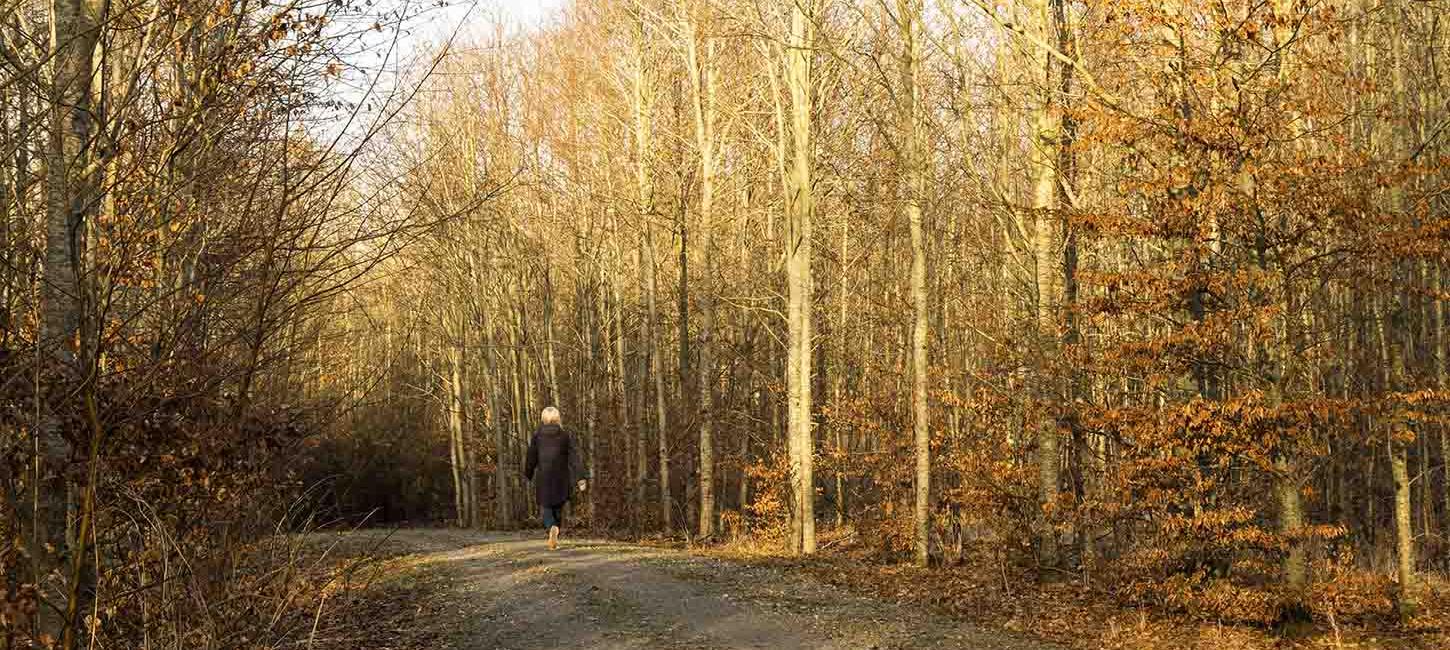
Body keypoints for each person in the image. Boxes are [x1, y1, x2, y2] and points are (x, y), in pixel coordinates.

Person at [524, 406, 587, 550]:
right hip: (561, 478)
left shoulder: (537, 436)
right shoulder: (565, 436)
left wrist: (528, 473)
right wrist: (580, 477)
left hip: (544, 477)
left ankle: (551, 527)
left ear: (543, 419)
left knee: (546, 507)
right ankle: (556, 528)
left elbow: (531, 457)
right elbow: (574, 458)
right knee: (558, 507)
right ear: (558, 418)